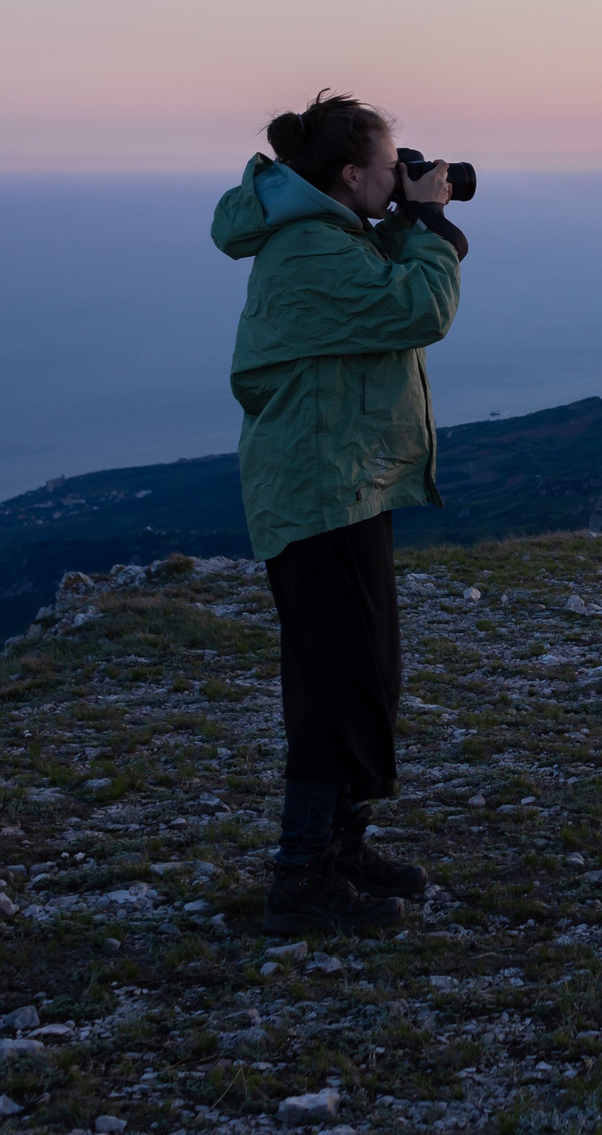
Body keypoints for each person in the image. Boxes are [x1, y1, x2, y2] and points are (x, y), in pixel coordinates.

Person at [210, 91, 468, 935]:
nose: (404, 176)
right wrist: (431, 230)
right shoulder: (309, 252)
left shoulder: (329, 237)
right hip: (317, 491)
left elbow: (378, 283)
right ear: (352, 174)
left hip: (343, 482)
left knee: (366, 676)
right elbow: (416, 307)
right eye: (392, 168)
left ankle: (342, 848)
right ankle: (299, 877)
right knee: (334, 684)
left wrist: (406, 220)